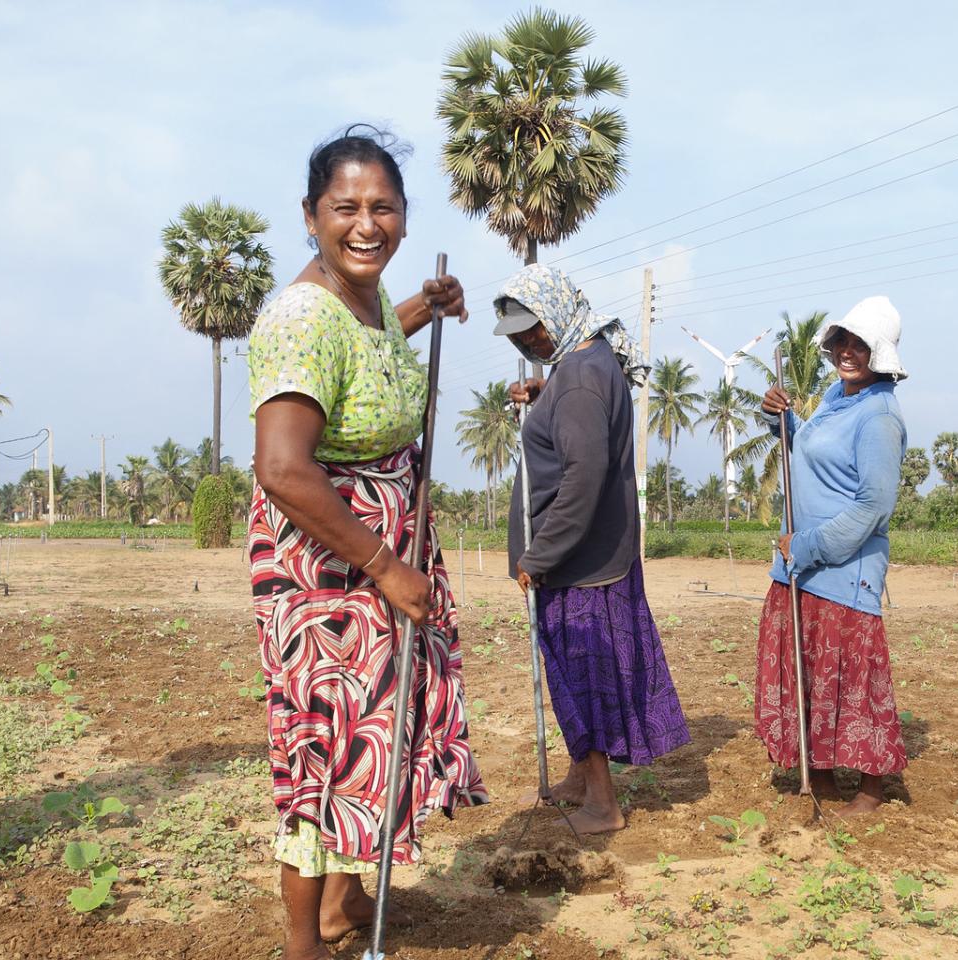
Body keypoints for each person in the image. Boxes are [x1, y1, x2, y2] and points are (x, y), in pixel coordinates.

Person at [248, 127, 484, 960]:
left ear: (406, 218)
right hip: (329, 571)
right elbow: (282, 468)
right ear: (311, 217)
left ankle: (346, 901)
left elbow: (371, 347)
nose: (365, 223)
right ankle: (304, 943)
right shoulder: (300, 317)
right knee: (329, 746)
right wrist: (385, 567)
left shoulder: (368, 301)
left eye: (382, 207)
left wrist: (429, 306)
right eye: (344, 207)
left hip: (378, 554)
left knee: (377, 732)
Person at [496, 264, 691, 835]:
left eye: (533, 328)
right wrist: (545, 391)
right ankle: (583, 777)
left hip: (578, 565)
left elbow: (582, 479)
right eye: (520, 334)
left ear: (557, 310)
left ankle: (603, 803)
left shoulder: (578, 377)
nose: (529, 340)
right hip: (593, 556)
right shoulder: (585, 363)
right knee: (575, 673)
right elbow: (577, 418)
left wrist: (540, 555)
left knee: (586, 676)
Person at [754, 296, 910, 815]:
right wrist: (785, 420)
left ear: (879, 354)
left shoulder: (879, 415)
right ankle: (819, 775)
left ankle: (869, 790)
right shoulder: (835, 398)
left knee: (854, 677)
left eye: (860, 344)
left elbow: (872, 507)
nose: (848, 351)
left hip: (841, 571)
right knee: (809, 674)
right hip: (802, 567)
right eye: (843, 341)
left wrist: (807, 546)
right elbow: (815, 458)